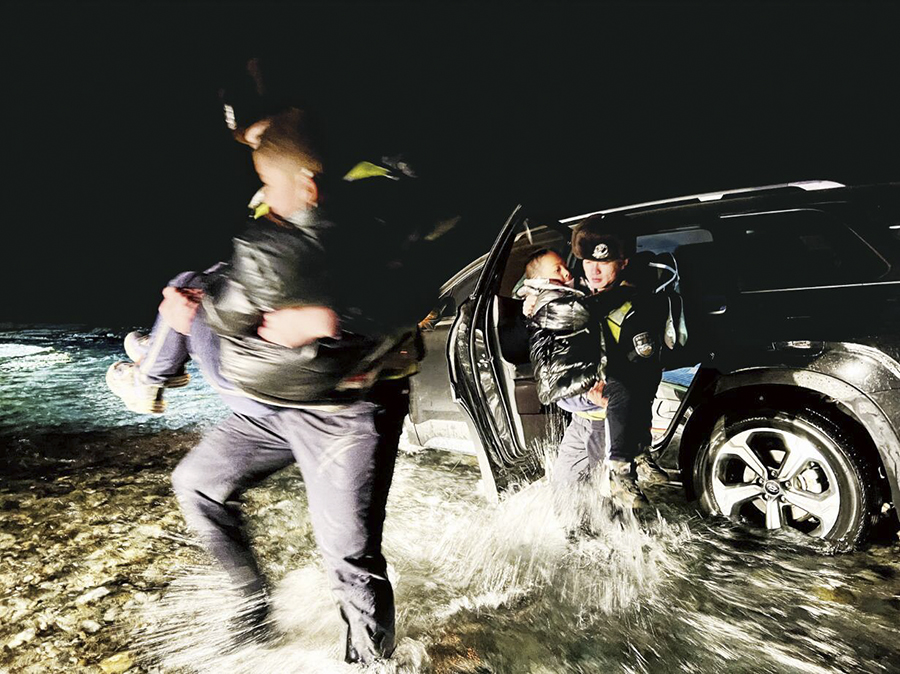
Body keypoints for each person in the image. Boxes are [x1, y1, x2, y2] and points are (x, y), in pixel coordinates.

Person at [110, 109, 421, 664]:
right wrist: (196, 311)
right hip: (273, 403)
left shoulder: (372, 202)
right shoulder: (279, 216)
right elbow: (241, 290)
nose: (262, 194)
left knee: (349, 556)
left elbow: (417, 291)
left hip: (344, 412)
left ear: (306, 181)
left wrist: (330, 319)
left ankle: (373, 663)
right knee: (198, 484)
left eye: (267, 178)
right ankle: (252, 611)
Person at [526, 216, 668, 508]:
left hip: (605, 422)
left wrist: (612, 399)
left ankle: (627, 473)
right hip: (581, 419)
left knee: (608, 507)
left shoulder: (634, 305)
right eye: (588, 262)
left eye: (604, 262)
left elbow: (642, 373)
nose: (595, 271)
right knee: (563, 495)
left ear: (623, 263)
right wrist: (532, 302)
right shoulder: (581, 292)